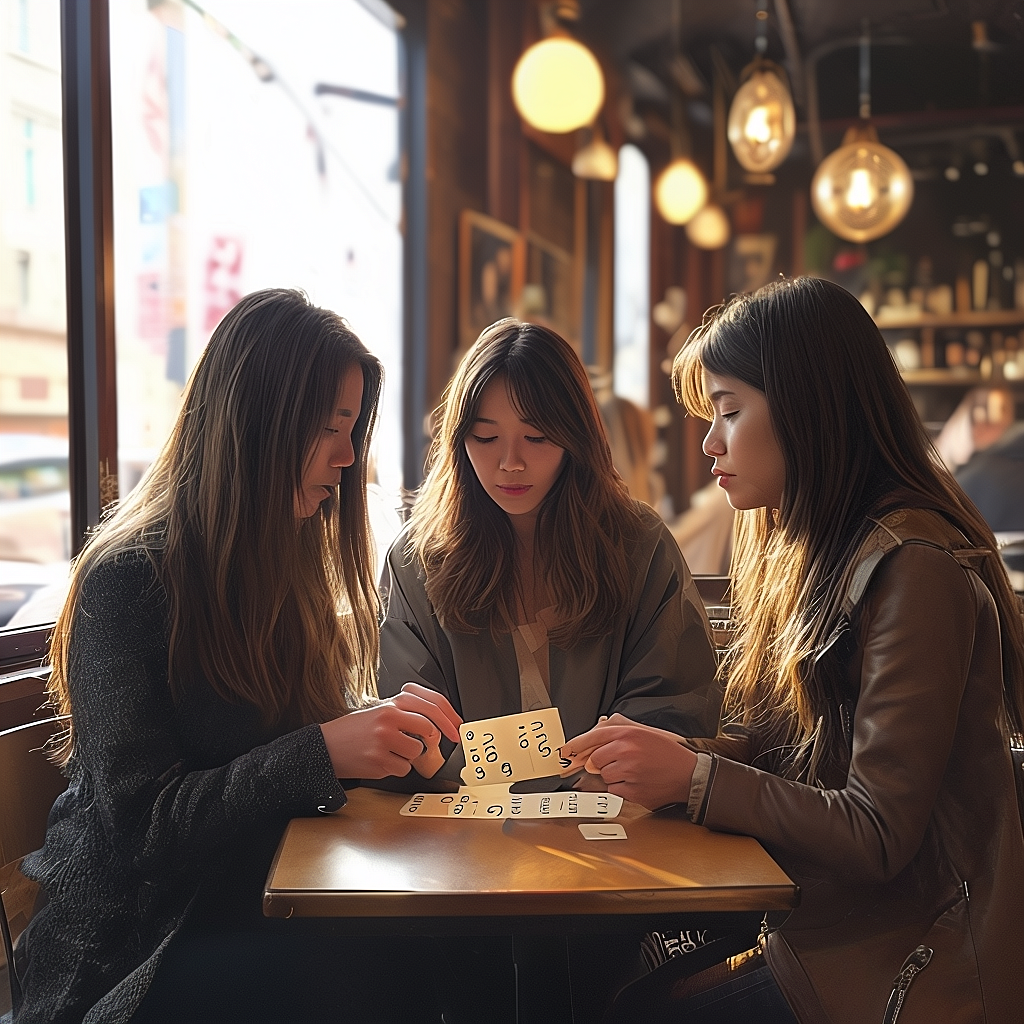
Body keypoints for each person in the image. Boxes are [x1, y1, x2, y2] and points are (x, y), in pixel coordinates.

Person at [564, 277, 1024, 1024]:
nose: (711, 442)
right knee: (608, 985)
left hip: (907, 967)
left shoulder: (914, 567)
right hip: (832, 933)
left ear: (812, 409)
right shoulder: (823, 550)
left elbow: (877, 832)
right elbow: (804, 762)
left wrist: (695, 775)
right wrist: (668, 760)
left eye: (731, 411)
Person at [12, 289, 462, 1024]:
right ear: (254, 426)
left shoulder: (279, 568)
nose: (348, 459)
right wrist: (323, 748)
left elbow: (267, 753)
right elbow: (142, 833)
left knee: (438, 943)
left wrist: (369, 732)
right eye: (328, 429)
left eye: (351, 431)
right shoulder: (127, 579)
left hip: (241, 904)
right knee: (377, 971)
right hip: (132, 949)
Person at [377, 317, 720, 791]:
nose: (510, 462)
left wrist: (603, 772)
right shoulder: (417, 558)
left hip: (615, 828)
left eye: (536, 438)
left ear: (576, 437)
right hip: (458, 835)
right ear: (458, 442)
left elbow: (672, 709)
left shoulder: (637, 544)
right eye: (485, 437)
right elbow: (410, 723)